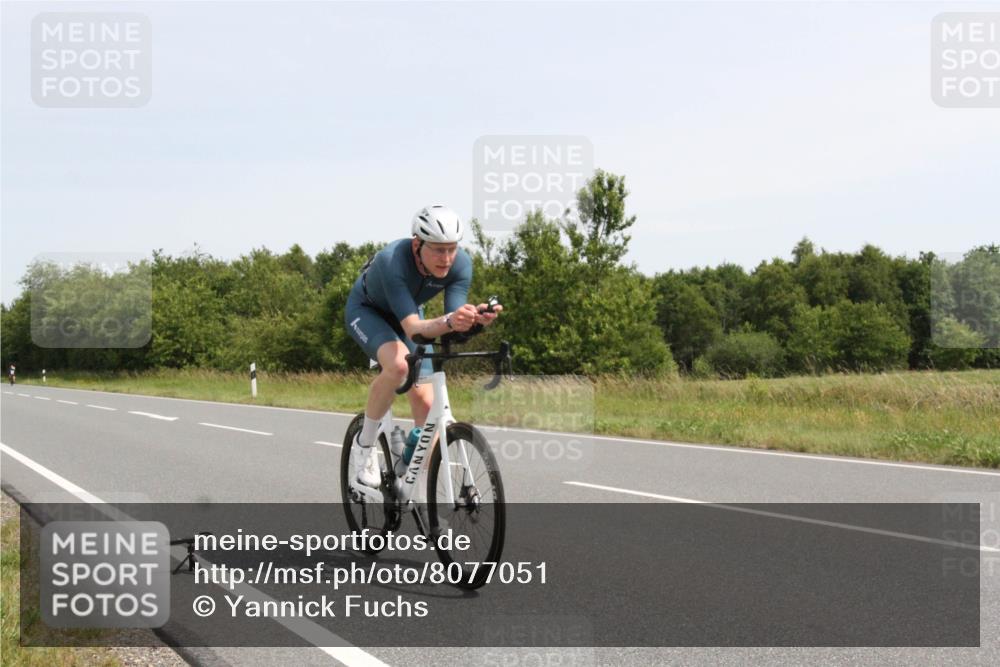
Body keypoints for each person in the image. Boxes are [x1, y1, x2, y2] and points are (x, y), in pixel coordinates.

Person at [344, 205, 502, 487]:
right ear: (417, 244)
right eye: (438, 250)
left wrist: (474, 321)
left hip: (410, 314)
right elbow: (415, 330)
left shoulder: (461, 264)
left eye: (452, 248)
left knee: (428, 409)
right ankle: (364, 445)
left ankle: (408, 482)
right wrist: (453, 320)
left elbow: (451, 329)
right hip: (369, 312)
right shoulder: (392, 260)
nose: (447, 258)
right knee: (398, 366)